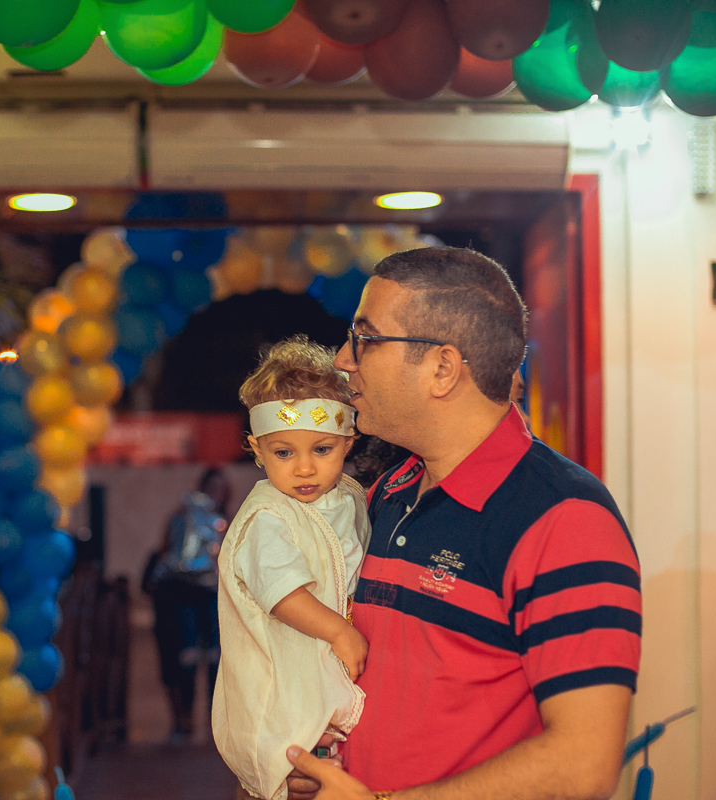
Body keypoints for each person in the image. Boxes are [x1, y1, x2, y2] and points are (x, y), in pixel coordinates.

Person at [286, 246, 642, 800]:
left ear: (443, 368)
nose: (342, 359)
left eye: (365, 338)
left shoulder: (563, 519)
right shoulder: (391, 492)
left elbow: (582, 764)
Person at [213, 336, 371, 800]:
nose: (303, 469)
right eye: (284, 453)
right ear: (257, 450)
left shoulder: (351, 496)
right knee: (290, 769)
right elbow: (284, 594)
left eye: (321, 450)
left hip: (326, 674)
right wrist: (342, 632)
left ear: (348, 442)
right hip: (284, 676)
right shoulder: (267, 518)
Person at [143, 467, 230, 742]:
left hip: (214, 597)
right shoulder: (182, 517)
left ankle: (216, 724)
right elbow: (168, 550)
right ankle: (185, 722)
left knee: (218, 659)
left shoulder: (225, 522)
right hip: (184, 594)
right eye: (210, 488)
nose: (214, 494)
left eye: (219, 489)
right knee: (187, 656)